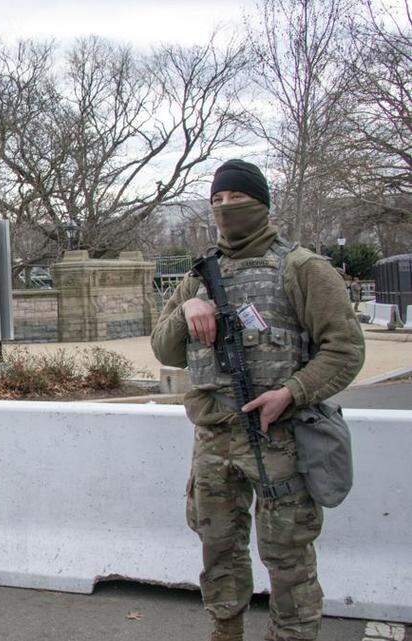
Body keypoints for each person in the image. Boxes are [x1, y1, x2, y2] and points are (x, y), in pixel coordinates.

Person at [150, 160, 364, 641]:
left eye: (237, 198)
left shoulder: (302, 268)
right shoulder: (196, 276)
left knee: (287, 556)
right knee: (218, 550)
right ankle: (225, 632)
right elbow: (164, 348)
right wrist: (187, 309)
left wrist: (291, 392)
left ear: (262, 204)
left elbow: (345, 350)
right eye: (218, 200)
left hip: (279, 438)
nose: (226, 208)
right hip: (213, 440)